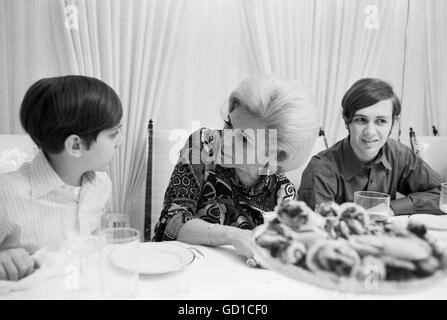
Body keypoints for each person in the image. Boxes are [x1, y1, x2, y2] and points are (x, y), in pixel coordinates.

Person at [153, 74, 319, 262]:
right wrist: (232, 235)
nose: (225, 140)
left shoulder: (282, 192)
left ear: (275, 154)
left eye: (244, 139)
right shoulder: (204, 145)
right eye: (229, 124)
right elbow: (170, 221)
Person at [0, 75, 123, 280]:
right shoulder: (6, 195)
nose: (119, 142)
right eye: (113, 134)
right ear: (76, 145)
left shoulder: (101, 185)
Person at [298, 78, 444, 215]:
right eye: (361, 120)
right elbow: (314, 230)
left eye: (380, 121)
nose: (370, 132)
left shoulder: (399, 154)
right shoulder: (320, 169)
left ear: (393, 122)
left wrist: (392, 208)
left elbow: (442, 194)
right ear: (346, 120)